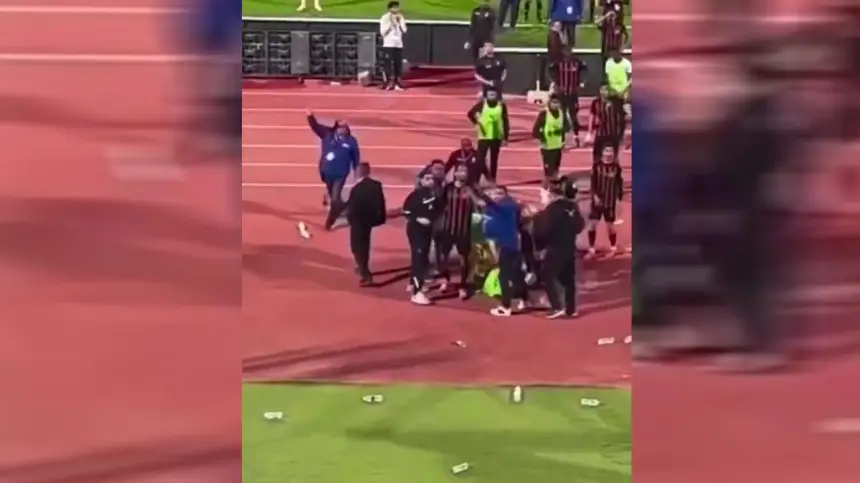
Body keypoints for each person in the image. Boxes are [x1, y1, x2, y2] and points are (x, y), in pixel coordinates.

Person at [468, 185, 531, 316]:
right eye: (495, 193)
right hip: (509, 245)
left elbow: (488, 202)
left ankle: (505, 306)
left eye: (500, 193)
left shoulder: (506, 207)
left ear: (506, 195)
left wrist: (479, 192)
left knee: (505, 277)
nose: (496, 195)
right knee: (517, 275)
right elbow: (482, 204)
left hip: (509, 246)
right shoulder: (502, 208)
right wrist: (474, 194)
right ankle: (525, 300)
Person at [533, 181, 585, 318]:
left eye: (542, 194)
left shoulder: (550, 210)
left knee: (547, 274)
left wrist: (536, 218)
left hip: (555, 249)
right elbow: (579, 226)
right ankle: (571, 309)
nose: (541, 197)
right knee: (567, 278)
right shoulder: (572, 206)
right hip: (569, 248)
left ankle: (557, 307)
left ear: (550, 194)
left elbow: (541, 231)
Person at [305, 110, 360, 230]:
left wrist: (357, 170)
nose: (343, 129)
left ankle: (331, 220)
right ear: (336, 127)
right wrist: (310, 117)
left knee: (335, 198)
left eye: (345, 127)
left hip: (341, 174)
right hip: (326, 171)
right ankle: (346, 208)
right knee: (333, 195)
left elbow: (356, 157)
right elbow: (315, 127)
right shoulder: (327, 134)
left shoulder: (351, 141)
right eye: (341, 127)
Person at [435, 164, 477, 299]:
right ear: (455, 173)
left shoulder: (472, 188)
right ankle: (445, 279)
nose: (461, 173)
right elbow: (439, 204)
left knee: (464, 259)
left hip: (464, 230)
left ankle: (463, 286)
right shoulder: (448, 188)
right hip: (448, 228)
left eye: (464, 171)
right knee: (443, 256)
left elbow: (481, 204)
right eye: (459, 170)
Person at [402, 171, 444, 305]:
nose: (430, 181)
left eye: (432, 179)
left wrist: (431, 220)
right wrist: (418, 219)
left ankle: (414, 283)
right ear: (421, 181)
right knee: (418, 258)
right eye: (427, 178)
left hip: (427, 231)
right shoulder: (415, 195)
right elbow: (406, 211)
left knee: (422, 258)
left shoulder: (435, 196)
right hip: (416, 230)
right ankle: (416, 293)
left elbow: (439, 211)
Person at [345, 163, 386, 286]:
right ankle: (362, 267)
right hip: (369, 220)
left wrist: (350, 219)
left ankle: (365, 272)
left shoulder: (357, 188)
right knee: (364, 245)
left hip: (358, 221)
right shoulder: (376, 185)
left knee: (357, 246)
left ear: (359, 172)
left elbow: (352, 207)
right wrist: (380, 218)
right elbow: (381, 202)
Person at [586, 146, 624, 257]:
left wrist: (619, 199)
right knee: (592, 224)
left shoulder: (616, 167)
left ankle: (613, 247)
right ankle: (591, 248)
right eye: (606, 150)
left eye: (611, 151)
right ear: (603, 153)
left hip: (610, 202)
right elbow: (593, 182)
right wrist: (595, 196)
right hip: (598, 201)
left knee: (610, 226)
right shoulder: (597, 166)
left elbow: (619, 184)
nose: (609, 153)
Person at [467, 89, 510, 183]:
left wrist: (506, 137)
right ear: (486, 96)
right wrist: (476, 123)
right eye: (490, 95)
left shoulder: (501, 106)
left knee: (494, 160)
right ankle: (482, 177)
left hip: (496, 136)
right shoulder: (482, 105)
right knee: (479, 159)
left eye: (494, 94)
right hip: (484, 136)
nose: (492, 96)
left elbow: (505, 121)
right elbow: (470, 114)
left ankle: (493, 179)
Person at [549, 50, 586, 147]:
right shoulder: (558, 63)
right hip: (562, 94)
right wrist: (556, 84)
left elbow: (585, 71)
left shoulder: (577, 62)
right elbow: (550, 71)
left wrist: (581, 82)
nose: (567, 53)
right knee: (561, 115)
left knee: (573, 114)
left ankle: (576, 136)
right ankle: (561, 139)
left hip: (573, 93)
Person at [532, 94, 572, 181]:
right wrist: (539, 138)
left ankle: (554, 182)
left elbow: (567, 127)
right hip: (547, 145)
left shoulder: (561, 113)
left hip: (558, 145)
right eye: (553, 102)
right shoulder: (544, 113)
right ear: (549, 103)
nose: (555, 104)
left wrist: (565, 136)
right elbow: (536, 128)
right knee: (548, 169)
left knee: (556, 167)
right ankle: (548, 184)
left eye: (557, 102)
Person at [588, 85, 625, 163]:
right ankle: (596, 169)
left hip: (613, 133)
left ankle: (614, 171)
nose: (604, 92)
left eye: (606, 90)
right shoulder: (596, 102)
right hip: (600, 133)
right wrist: (589, 132)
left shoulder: (616, 101)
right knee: (597, 154)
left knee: (613, 154)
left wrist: (621, 134)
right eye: (602, 90)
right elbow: (592, 116)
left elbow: (622, 118)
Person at [379, 1, 407, 91]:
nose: (397, 9)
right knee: (389, 65)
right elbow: (383, 32)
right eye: (394, 7)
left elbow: (404, 30)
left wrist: (400, 22)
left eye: (397, 7)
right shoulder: (385, 18)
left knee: (398, 64)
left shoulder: (400, 17)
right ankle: (387, 83)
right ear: (390, 8)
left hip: (398, 44)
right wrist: (391, 25)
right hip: (388, 44)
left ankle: (397, 83)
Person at [596, 3, 628, 75]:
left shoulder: (620, 26)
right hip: (606, 50)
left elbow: (624, 35)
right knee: (606, 66)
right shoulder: (606, 27)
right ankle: (605, 81)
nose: (611, 17)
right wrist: (604, 16)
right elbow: (597, 23)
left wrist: (622, 48)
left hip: (616, 50)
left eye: (613, 15)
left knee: (617, 68)